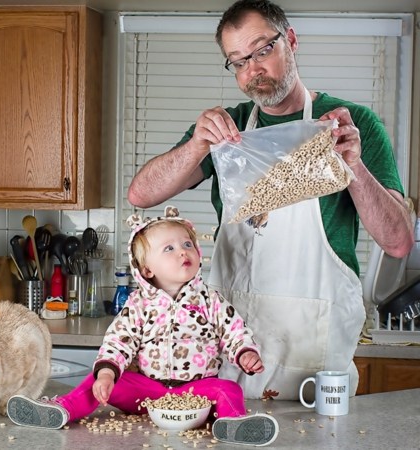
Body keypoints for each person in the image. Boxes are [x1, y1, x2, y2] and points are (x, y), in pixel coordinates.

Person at [127, 0, 414, 401]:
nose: (253, 70)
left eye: (263, 50)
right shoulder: (227, 131)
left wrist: (354, 167)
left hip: (314, 373)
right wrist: (196, 146)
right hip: (228, 366)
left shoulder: (353, 123)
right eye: (238, 61)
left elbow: (398, 242)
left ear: (291, 41)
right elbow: (141, 194)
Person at [7, 206, 279, 447]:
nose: (183, 251)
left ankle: (234, 425)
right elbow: (118, 341)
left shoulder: (210, 300)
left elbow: (234, 329)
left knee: (230, 389)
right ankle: (61, 410)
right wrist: (107, 373)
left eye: (187, 244)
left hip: (198, 393)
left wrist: (244, 352)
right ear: (146, 270)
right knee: (98, 381)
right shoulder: (138, 304)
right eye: (169, 248)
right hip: (148, 392)